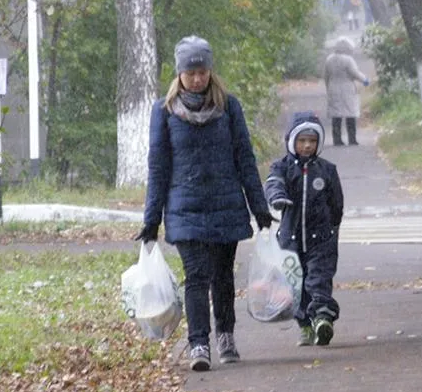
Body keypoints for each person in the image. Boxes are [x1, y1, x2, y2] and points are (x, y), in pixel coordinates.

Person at [134, 35, 274, 372]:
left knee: (223, 275)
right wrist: (151, 220)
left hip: (226, 204)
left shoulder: (229, 106)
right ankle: (199, 342)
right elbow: (158, 167)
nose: (197, 79)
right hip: (185, 206)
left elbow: (244, 158)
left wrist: (260, 209)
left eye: (202, 72)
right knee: (196, 275)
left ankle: (225, 335)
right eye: (191, 72)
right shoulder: (164, 112)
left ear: (210, 72)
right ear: (179, 74)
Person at [264, 111, 344, 347]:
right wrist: (278, 197)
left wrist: (333, 226)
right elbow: (273, 184)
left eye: (312, 141)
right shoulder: (282, 168)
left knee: (318, 280)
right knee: (295, 285)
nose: (307, 146)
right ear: (291, 141)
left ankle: (322, 319)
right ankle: (305, 326)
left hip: (321, 239)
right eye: (302, 141)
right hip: (291, 238)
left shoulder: (327, 170)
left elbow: (336, 202)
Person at [324, 37, 370, 146]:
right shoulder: (348, 60)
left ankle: (337, 139)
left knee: (336, 115)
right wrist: (365, 80)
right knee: (350, 114)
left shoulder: (329, 59)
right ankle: (352, 139)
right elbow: (355, 73)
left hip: (333, 87)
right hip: (347, 88)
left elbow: (326, 75)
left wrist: (328, 87)